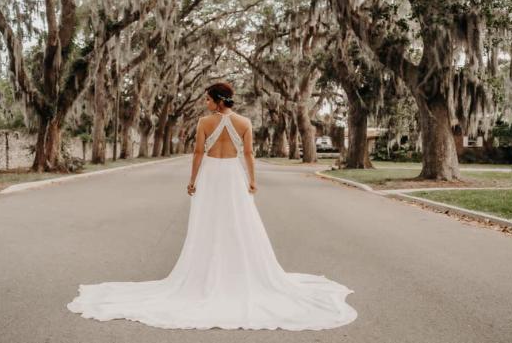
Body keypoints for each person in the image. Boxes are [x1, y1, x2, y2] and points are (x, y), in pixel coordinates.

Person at [66, 82, 358, 330]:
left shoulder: (205, 123)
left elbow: (197, 153)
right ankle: (236, 274)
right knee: (237, 222)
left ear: (218, 101)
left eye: (207, 98)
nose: (205, 102)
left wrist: (193, 181)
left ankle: (207, 274)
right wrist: (252, 181)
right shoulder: (244, 123)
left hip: (211, 174)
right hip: (232, 175)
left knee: (208, 223)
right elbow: (248, 155)